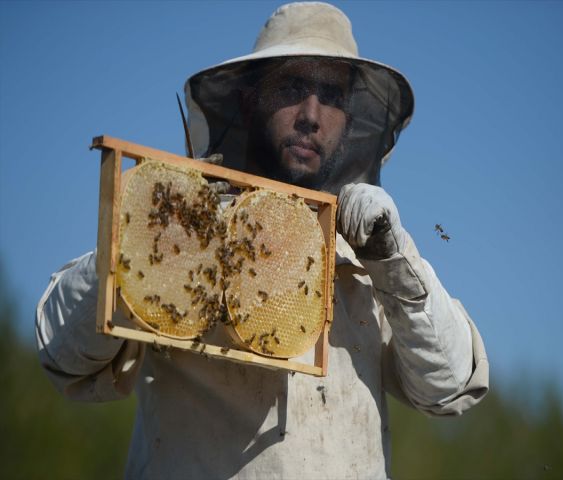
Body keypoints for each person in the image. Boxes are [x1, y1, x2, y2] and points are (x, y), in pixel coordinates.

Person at [36, 3, 489, 479]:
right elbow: (65, 359)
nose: (311, 115)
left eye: (331, 95)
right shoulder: (184, 236)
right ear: (251, 100)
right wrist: (141, 240)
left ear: (350, 120)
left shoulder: (368, 262)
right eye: (292, 88)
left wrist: (392, 258)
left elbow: (450, 389)